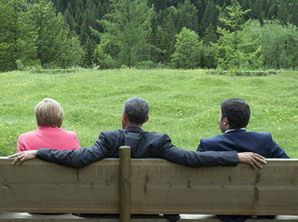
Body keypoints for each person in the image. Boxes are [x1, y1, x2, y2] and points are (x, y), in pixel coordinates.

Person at [10, 97, 266, 221]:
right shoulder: (159, 142)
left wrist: (38, 152)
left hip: (103, 212)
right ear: (146, 120)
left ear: (123, 116)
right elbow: (192, 159)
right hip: (150, 210)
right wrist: (236, 156)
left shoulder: (109, 139)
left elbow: (78, 158)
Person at [197, 98, 289, 222]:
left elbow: (194, 172)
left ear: (225, 121)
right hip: (260, 208)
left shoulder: (208, 144)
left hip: (221, 208)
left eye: (220, 116)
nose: (218, 119)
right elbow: (288, 166)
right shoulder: (264, 140)